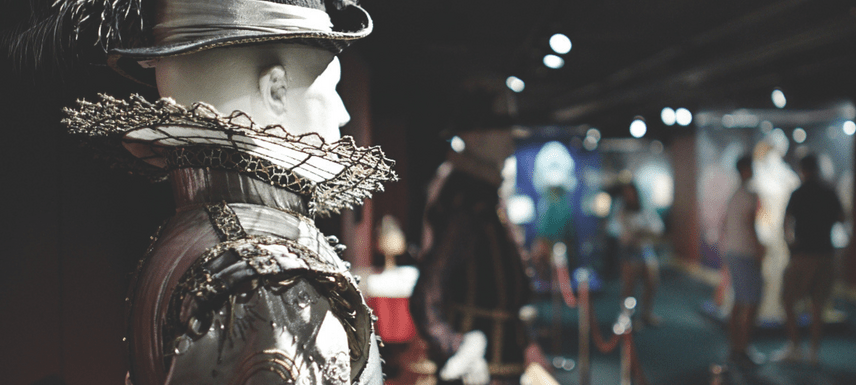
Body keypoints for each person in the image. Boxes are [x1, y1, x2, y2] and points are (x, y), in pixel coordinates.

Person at [33, 0, 395, 383]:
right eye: (333, 87)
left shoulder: (186, 236)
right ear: (275, 89)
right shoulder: (273, 282)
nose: (343, 113)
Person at [411, 81, 544, 385]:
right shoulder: (467, 199)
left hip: (501, 361)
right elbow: (426, 296)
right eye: (501, 130)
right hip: (480, 370)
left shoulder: (482, 192)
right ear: (476, 136)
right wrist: (458, 349)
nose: (511, 140)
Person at [776, 153, 843, 363]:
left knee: (788, 301)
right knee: (817, 306)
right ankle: (813, 351)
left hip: (802, 255)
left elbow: (786, 221)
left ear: (802, 170)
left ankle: (794, 346)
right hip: (825, 253)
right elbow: (842, 217)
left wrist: (790, 244)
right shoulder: (829, 192)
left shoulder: (798, 193)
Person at [718, 155, 766, 367]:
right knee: (751, 302)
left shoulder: (734, 194)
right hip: (745, 253)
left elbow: (726, 223)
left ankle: (735, 346)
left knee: (739, 301)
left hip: (733, 251)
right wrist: (758, 250)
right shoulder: (748, 194)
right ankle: (743, 348)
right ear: (745, 169)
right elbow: (750, 224)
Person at [613, 180, 665, 328]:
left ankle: (647, 313)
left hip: (645, 250)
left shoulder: (645, 210)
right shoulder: (621, 212)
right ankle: (628, 316)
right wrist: (638, 233)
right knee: (629, 286)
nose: (630, 196)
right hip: (630, 253)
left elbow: (657, 228)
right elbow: (622, 235)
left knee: (652, 282)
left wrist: (642, 232)